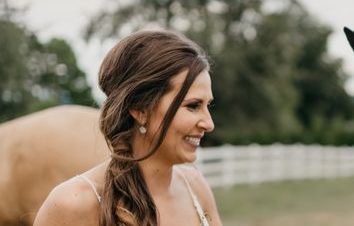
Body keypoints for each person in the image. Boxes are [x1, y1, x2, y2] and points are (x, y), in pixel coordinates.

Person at [34, 30, 223, 226]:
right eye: (192, 106)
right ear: (140, 109)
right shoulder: (73, 204)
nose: (209, 124)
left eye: (207, 105)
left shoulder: (195, 186)